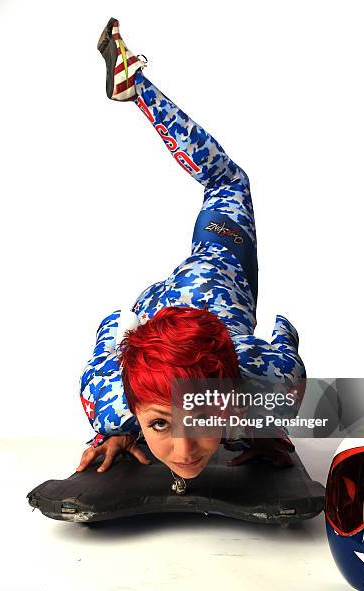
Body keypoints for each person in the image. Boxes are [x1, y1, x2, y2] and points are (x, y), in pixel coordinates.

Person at [76, 18, 306, 481]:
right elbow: (111, 330)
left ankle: (136, 86)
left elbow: (286, 335)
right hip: (157, 312)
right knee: (227, 183)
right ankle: (135, 86)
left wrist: (267, 431)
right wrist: (113, 430)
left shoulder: (268, 387)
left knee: (229, 183)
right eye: (159, 424)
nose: (184, 452)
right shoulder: (109, 393)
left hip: (216, 269)